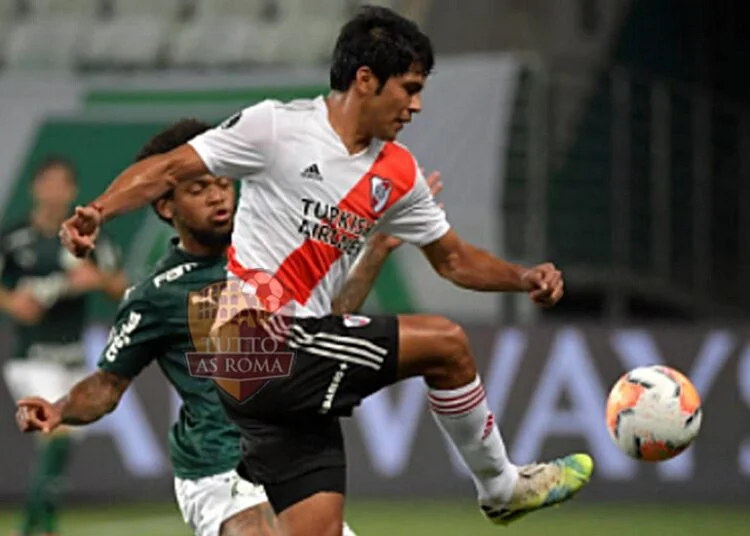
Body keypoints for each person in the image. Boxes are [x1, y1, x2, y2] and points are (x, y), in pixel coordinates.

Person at [58, 6, 593, 535]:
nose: (417, 105)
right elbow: (171, 167)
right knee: (447, 344)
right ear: (365, 79)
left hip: (286, 374)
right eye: (408, 88)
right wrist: (99, 212)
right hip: (250, 345)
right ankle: (501, 487)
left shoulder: (398, 174)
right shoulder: (276, 128)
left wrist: (521, 278)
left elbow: (454, 259)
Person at [18, 119, 441, 536]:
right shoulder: (156, 296)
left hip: (287, 456)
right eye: (199, 189)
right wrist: (58, 410)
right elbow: (106, 387)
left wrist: (379, 248)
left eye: (223, 183)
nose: (219, 197)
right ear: (166, 206)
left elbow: (329, 318)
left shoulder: (271, 251)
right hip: (216, 469)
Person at [0, 156, 128, 536]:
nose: (55, 191)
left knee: (64, 437)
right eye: (48, 183)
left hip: (73, 354)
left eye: (63, 184)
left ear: (72, 191)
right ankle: (36, 525)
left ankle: (43, 518)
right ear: (35, 188)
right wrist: (11, 304)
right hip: (30, 355)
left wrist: (97, 279)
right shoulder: (14, 237)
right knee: (55, 431)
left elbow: (121, 284)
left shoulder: (90, 237)